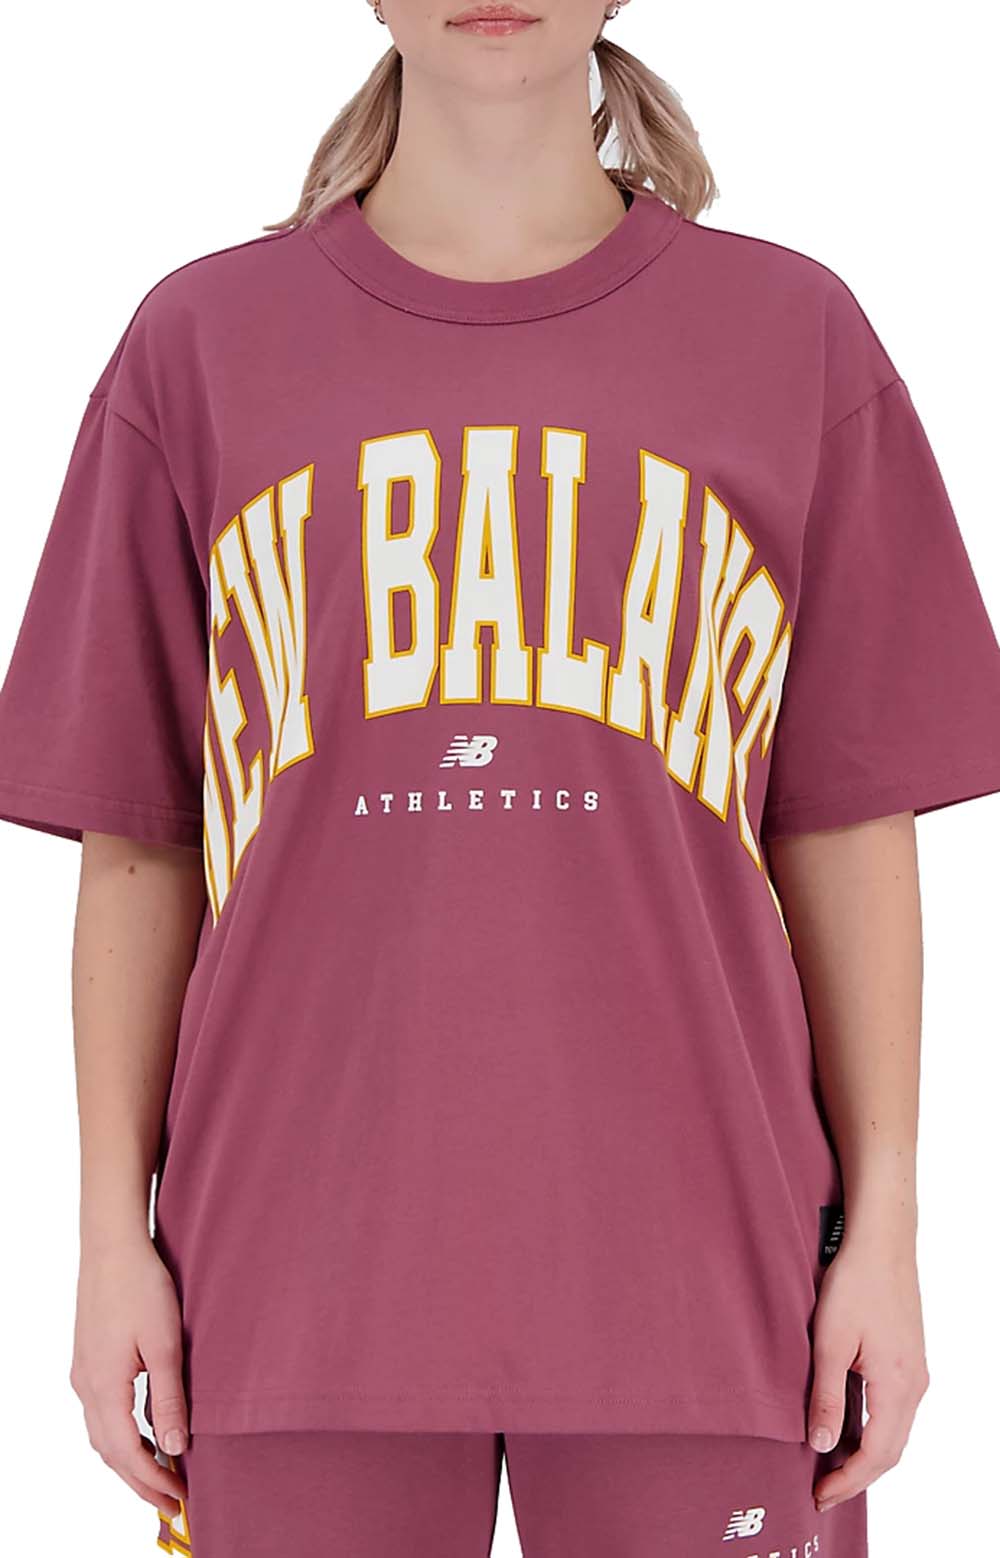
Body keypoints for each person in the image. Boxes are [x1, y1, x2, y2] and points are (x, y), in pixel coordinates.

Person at [1, 1, 999, 1554]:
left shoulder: (794, 336)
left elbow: (846, 825)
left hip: (712, 1277)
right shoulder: (198, 345)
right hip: (286, 1279)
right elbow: (139, 845)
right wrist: (104, 1240)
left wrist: (887, 1230)